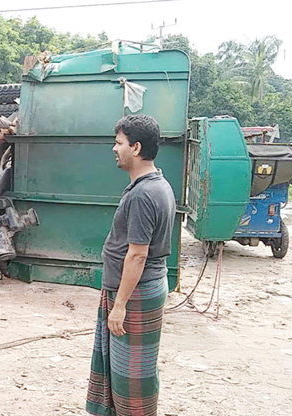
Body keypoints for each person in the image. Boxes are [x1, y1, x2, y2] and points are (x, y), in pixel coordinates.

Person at [86, 114, 176, 416]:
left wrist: (120, 304)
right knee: (123, 370)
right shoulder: (157, 185)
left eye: (119, 143)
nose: (114, 148)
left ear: (135, 148)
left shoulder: (144, 194)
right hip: (136, 288)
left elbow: (137, 255)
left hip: (135, 294)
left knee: (131, 377)